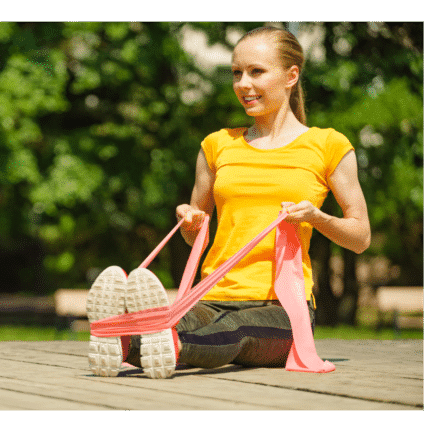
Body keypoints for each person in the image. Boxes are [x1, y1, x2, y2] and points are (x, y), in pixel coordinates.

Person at [87, 25, 370, 379]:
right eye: (236, 73)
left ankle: (147, 339)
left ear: (291, 76)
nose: (243, 84)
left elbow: (360, 237)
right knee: (184, 321)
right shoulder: (217, 145)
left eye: (256, 72)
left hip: (281, 309)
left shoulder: (328, 145)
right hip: (213, 293)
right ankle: (124, 337)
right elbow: (195, 239)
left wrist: (316, 217)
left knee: (237, 329)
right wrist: (191, 223)